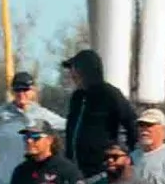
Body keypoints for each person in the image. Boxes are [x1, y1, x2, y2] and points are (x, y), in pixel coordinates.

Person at [59, 48, 138, 177]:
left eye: (74, 69)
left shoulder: (109, 94)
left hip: (102, 170)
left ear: (86, 70)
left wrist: (127, 152)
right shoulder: (77, 97)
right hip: (76, 170)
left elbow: (131, 122)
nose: (72, 74)